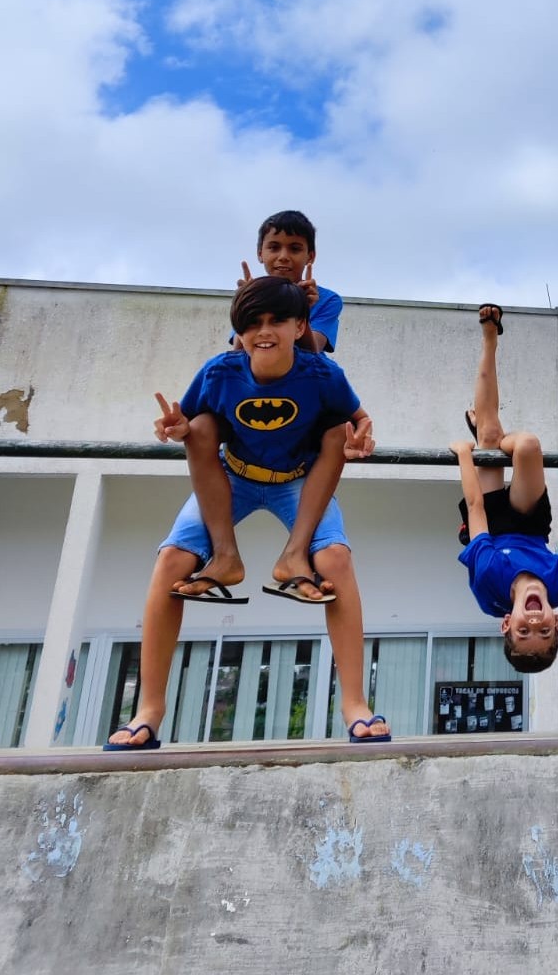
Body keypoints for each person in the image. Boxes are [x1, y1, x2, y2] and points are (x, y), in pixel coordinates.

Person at [105, 276, 388, 749]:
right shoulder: (220, 372)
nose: (265, 330)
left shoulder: (321, 374)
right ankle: (149, 708)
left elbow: (356, 419)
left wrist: (361, 437)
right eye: (253, 322)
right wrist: (173, 428)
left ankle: (354, 703)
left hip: (297, 482)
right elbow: (187, 421)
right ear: (238, 331)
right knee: (172, 558)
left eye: (278, 319)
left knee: (335, 559)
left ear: (301, 326)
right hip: (231, 478)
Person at [175, 210, 350, 604]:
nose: (284, 256)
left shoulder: (325, 301)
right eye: (274, 247)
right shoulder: (250, 303)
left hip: (300, 428)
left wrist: (301, 312)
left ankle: (296, 554)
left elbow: (313, 354)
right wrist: (249, 304)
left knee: (335, 552)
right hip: (245, 433)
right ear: (259, 253)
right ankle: (223, 555)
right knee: (202, 427)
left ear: (311, 256)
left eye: (295, 248)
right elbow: (242, 359)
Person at [451, 304, 558, 673]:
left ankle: (489, 340)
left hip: (491, 530)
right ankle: (491, 438)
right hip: (531, 526)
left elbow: (476, 506)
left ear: (506, 623)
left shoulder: (489, 580)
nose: (534, 621)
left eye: (524, 629)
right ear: (556, 621)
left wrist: (466, 456)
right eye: (544, 630)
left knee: (487, 435)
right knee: (527, 444)